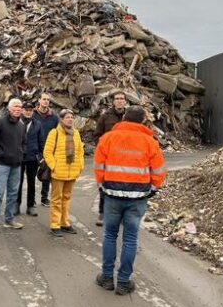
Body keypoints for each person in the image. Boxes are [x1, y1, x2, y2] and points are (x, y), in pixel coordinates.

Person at [94, 106, 167, 295]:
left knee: (110, 235)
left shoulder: (108, 138)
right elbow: (158, 171)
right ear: (143, 121)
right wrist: (152, 189)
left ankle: (107, 277)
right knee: (130, 238)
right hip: (137, 198)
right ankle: (124, 281)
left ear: (124, 118)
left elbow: (99, 165)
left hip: (111, 195)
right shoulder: (150, 142)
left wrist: (102, 184)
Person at [43, 108, 85, 237]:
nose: (70, 119)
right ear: (61, 119)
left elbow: (79, 152)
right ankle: (55, 224)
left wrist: (80, 166)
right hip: (58, 172)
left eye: (72, 117)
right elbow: (47, 152)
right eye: (67, 117)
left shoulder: (76, 133)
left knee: (66, 198)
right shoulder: (54, 133)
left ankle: (65, 223)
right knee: (56, 199)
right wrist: (54, 166)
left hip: (72, 172)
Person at [0, 98, 26, 234]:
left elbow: (24, 142)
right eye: (15, 106)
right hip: (2, 164)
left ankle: (9, 220)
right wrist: (0, 154)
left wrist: (21, 154)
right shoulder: (0, 123)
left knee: (13, 194)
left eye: (20, 106)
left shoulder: (21, 125)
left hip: (16, 165)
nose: (18, 108)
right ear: (9, 109)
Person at [93, 90, 127, 226]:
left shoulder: (129, 117)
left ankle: (120, 215)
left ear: (125, 101)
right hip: (109, 158)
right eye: (117, 98)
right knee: (104, 185)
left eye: (122, 98)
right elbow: (97, 135)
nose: (119, 100)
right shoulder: (106, 117)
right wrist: (104, 149)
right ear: (113, 101)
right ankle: (102, 213)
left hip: (125, 158)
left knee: (123, 186)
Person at [16, 101, 43, 216]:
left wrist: (42, 155)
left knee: (31, 182)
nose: (28, 112)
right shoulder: (17, 122)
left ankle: (30, 206)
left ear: (33, 111)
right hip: (19, 156)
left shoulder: (37, 124)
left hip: (32, 157)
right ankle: (16, 205)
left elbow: (41, 140)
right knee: (18, 182)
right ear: (22, 110)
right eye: (26, 110)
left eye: (30, 110)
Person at [33, 92, 59, 207]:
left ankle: (44, 198)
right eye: (44, 99)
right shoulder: (33, 114)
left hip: (49, 149)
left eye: (48, 100)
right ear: (39, 100)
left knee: (46, 175)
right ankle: (31, 199)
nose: (46, 101)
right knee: (31, 175)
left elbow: (59, 131)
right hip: (34, 148)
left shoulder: (54, 117)